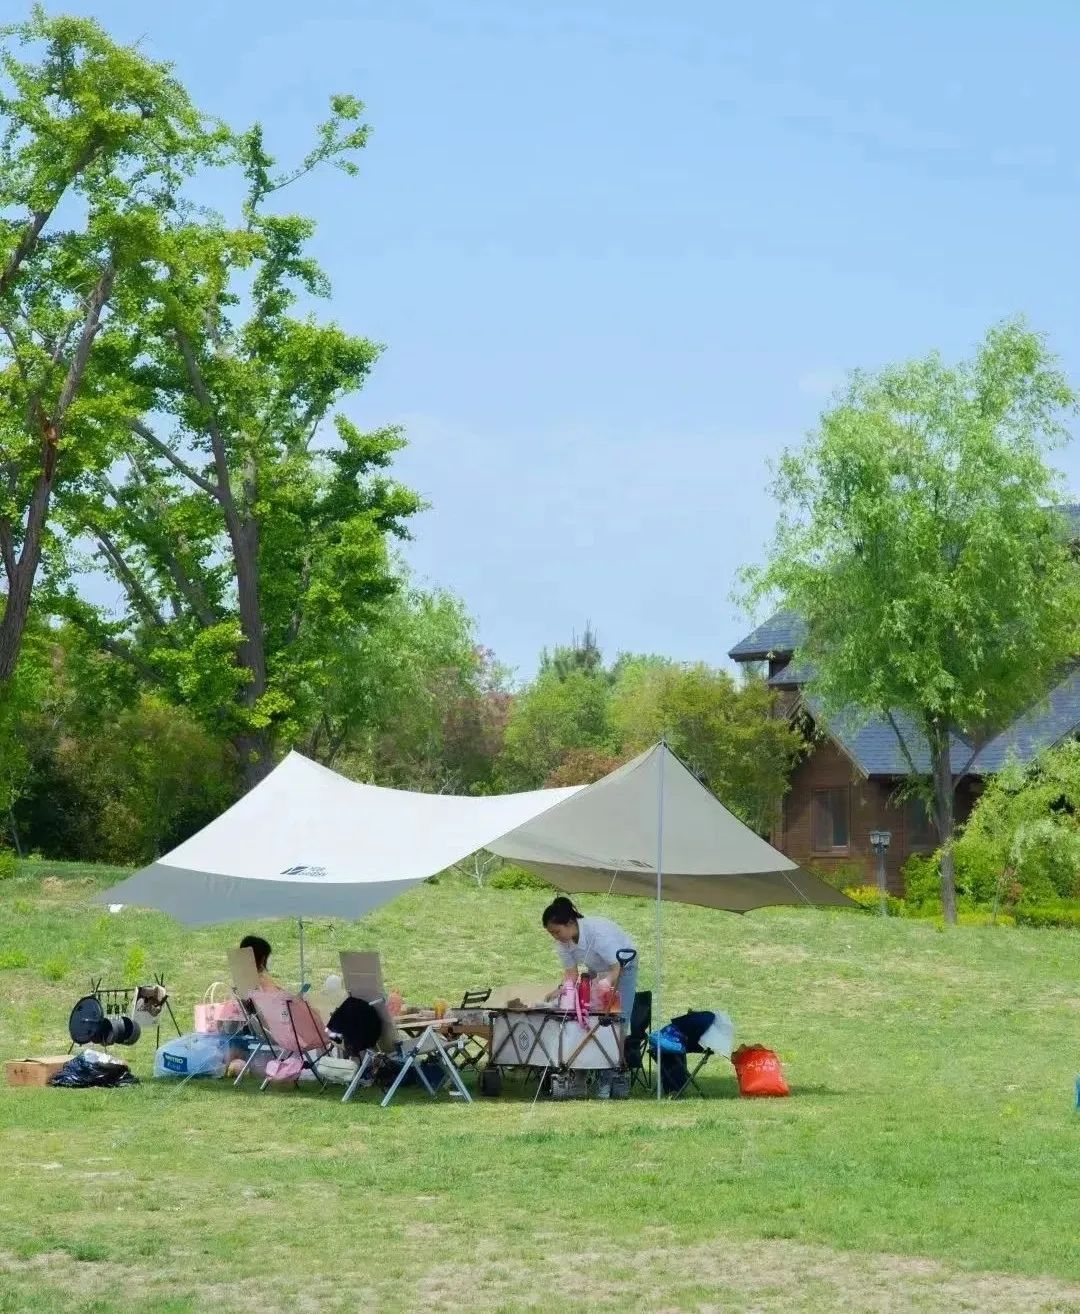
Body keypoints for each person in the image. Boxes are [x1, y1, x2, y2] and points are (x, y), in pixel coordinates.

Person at [541, 896, 638, 1098]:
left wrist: (606, 983)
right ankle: (585, 1073)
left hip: (623, 967)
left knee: (617, 1019)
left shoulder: (598, 932)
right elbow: (571, 973)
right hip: (598, 969)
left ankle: (611, 1075)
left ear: (569, 923)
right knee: (589, 1017)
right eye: (551, 933)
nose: (555, 937)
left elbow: (616, 966)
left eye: (557, 931)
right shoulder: (564, 943)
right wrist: (563, 990)